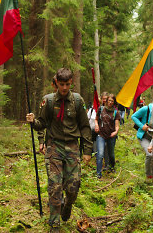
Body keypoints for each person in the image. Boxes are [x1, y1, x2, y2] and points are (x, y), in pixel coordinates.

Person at [26, 68, 92, 230]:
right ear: (56, 83)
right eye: (61, 84)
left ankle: (67, 205)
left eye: (67, 84)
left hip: (72, 147)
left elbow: (84, 126)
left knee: (73, 187)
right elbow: (42, 124)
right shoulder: (48, 101)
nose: (64, 88)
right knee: (54, 187)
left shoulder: (77, 101)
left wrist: (88, 150)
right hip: (54, 147)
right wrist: (33, 122)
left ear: (71, 83)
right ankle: (54, 223)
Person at [131, 95, 153, 181]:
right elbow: (134, 116)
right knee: (150, 155)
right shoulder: (146, 109)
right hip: (145, 136)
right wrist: (141, 125)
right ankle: (148, 176)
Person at [94, 94, 121, 178]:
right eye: (109, 100)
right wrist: (96, 125)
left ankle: (112, 167)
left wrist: (116, 131)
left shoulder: (116, 112)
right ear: (106, 101)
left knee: (111, 154)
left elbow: (117, 125)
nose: (110, 102)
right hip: (101, 134)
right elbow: (96, 119)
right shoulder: (101, 109)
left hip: (111, 135)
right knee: (100, 154)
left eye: (112, 101)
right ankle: (98, 173)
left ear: (114, 102)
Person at [37, 77, 58, 153]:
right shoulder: (48, 100)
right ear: (53, 85)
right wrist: (41, 141)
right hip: (51, 142)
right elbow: (41, 122)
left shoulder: (72, 100)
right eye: (58, 86)